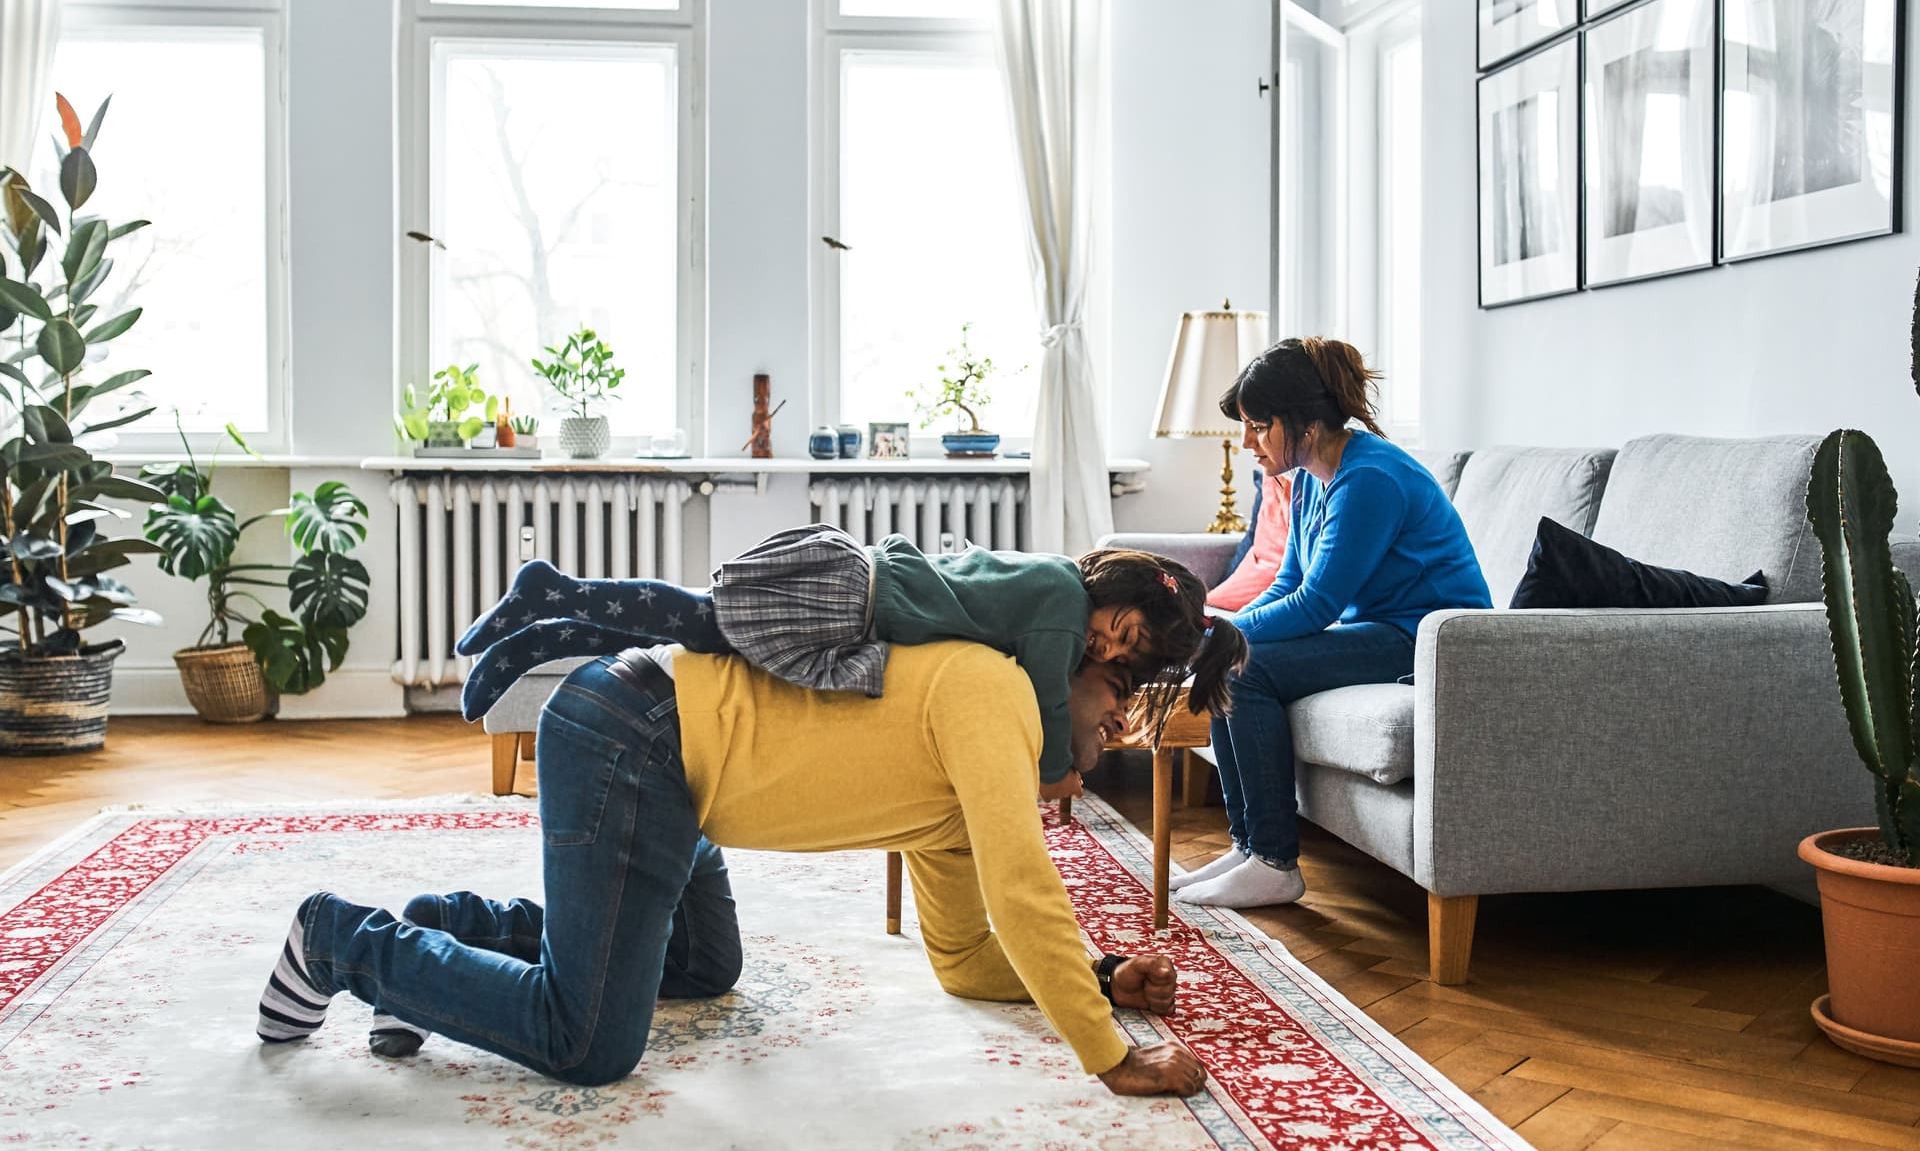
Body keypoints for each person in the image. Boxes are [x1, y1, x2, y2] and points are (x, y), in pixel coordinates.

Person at [256, 646, 1210, 1098]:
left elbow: (965, 953)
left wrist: (1092, 977)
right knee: (587, 1044)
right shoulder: (992, 696)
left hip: (683, 784)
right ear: (1070, 669)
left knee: (705, 966)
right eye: (1121, 691)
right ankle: (341, 939)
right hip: (633, 742)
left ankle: (448, 933)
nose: (1124, 726)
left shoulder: (971, 764)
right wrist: (1112, 1054)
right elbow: (1027, 887)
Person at [454, 531, 1247, 801]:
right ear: (1117, 588)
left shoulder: (1065, 610)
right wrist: (1052, 771)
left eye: (1126, 658)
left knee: (695, 635)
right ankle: (553, 594)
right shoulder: (1058, 597)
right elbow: (1045, 701)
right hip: (851, 595)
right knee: (695, 619)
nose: (1106, 649)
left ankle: (544, 639)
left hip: (855, 610)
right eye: (1122, 630)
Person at [1170, 338, 1491, 911]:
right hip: (1382, 629)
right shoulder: (1309, 481)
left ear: (1304, 424)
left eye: (1258, 426)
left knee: (1243, 668)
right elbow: (1288, 585)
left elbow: (1317, 605)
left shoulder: (1369, 479)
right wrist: (1223, 631)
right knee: (1232, 658)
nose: (1247, 442)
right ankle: (1249, 848)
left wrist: (1223, 637)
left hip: (1430, 641)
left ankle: (1274, 863)